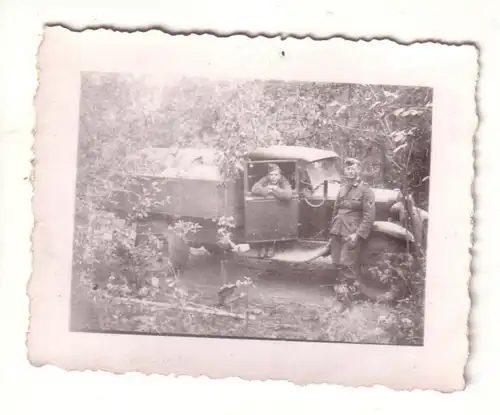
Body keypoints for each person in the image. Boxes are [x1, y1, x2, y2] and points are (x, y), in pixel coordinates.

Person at [329, 158, 376, 283]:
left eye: (353, 169)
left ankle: (349, 292)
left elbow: (369, 216)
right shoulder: (342, 189)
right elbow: (335, 211)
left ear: (359, 171)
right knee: (336, 261)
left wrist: (358, 234)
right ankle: (341, 288)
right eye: (348, 169)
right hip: (337, 230)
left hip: (351, 232)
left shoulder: (366, 190)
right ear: (345, 170)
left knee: (347, 263)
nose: (350, 172)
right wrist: (332, 231)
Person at [251, 163, 293, 258]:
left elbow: (288, 195)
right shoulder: (265, 179)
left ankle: (271, 246)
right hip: (265, 210)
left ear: (280, 175)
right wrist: (267, 190)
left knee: (275, 223)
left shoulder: (283, 180)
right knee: (264, 222)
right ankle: (263, 246)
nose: (273, 177)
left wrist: (275, 188)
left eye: (276, 175)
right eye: (271, 174)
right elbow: (254, 188)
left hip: (279, 210)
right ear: (268, 175)